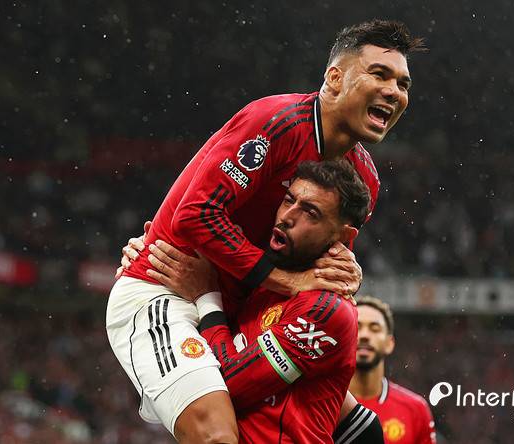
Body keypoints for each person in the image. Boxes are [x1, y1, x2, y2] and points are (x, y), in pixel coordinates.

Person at [108, 19, 423, 443]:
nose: (393, 91)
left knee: (359, 428)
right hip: (170, 288)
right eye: (379, 74)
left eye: (402, 84)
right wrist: (287, 282)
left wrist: (346, 271)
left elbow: (320, 263)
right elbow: (195, 216)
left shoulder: (364, 179)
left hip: (242, 310)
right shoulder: (274, 121)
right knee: (217, 435)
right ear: (334, 78)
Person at [145, 160, 384, 443]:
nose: (287, 216)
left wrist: (206, 297)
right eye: (289, 200)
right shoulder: (266, 280)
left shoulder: (326, 310)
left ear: (343, 235)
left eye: (310, 212)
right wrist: (153, 250)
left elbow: (225, 386)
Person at [350, 296, 436, 444]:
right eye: (357, 327)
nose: (364, 335)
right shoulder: (321, 404)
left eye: (374, 329)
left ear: (389, 343)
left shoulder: (415, 409)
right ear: (343, 337)